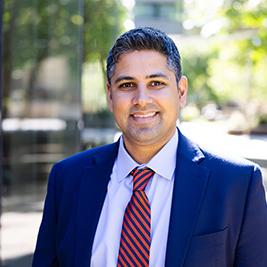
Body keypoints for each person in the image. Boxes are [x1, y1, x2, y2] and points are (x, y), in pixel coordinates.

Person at [32, 27, 267, 267]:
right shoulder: (68, 178)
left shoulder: (237, 184)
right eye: (126, 85)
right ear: (110, 94)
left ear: (181, 91)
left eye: (156, 83)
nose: (142, 99)